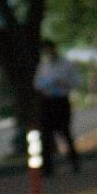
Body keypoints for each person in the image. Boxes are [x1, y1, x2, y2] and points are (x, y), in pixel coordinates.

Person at [33, 40, 81, 176]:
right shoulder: (43, 66)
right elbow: (37, 84)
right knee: (46, 134)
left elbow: (77, 81)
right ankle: (47, 167)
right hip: (48, 101)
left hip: (61, 100)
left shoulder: (66, 65)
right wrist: (48, 83)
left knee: (65, 132)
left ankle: (74, 161)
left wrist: (64, 82)